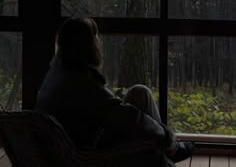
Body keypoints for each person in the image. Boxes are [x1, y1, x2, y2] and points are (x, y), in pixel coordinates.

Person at [35, 17, 191, 166]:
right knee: (137, 123)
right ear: (87, 45)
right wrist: (165, 135)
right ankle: (169, 148)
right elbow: (125, 116)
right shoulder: (79, 82)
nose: (99, 41)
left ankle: (168, 148)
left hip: (81, 139)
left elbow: (111, 109)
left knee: (140, 93)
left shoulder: (58, 73)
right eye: (95, 38)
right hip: (88, 151)